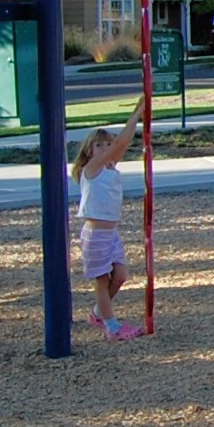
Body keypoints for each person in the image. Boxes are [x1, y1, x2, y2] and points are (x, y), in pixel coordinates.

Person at [70, 122, 141, 339]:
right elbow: (120, 142)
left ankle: (98, 313)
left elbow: (124, 141)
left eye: (107, 144)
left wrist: (138, 115)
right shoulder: (90, 169)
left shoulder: (110, 167)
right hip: (96, 234)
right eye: (99, 145)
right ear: (89, 151)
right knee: (102, 281)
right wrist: (138, 112)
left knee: (119, 276)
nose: (105, 148)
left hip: (111, 233)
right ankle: (112, 327)